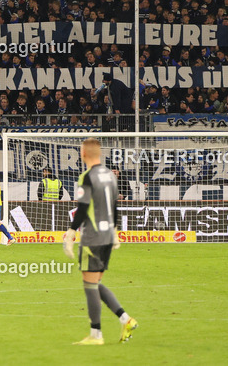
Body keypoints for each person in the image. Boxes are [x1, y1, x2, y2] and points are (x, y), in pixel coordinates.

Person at [63, 138, 137, 345]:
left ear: (83, 153)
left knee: (89, 284)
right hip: (107, 237)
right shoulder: (110, 175)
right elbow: (114, 206)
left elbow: (83, 208)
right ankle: (126, 319)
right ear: (100, 154)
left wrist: (71, 233)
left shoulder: (87, 176)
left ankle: (96, 334)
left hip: (93, 237)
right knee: (95, 282)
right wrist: (115, 231)